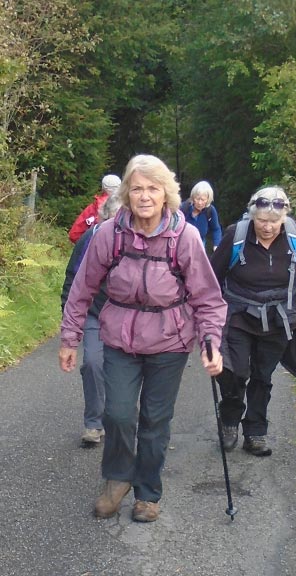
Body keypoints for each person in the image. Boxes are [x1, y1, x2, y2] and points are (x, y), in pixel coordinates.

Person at [59, 154, 227, 523]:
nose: (145, 196)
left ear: (166, 194)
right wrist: (70, 338)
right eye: (137, 188)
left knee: (155, 419)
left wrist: (211, 341)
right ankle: (118, 479)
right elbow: (82, 289)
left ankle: (148, 492)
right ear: (126, 194)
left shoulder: (185, 237)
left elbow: (207, 297)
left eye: (153, 188)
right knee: (117, 413)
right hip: (120, 339)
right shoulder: (108, 235)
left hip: (170, 342)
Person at [210, 186, 296, 457]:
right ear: (252, 216)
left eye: (274, 222)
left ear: (284, 218)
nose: (267, 227)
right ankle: (230, 419)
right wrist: (203, 314)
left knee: (263, 376)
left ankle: (255, 432)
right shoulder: (236, 235)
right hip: (239, 316)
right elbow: (212, 277)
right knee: (235, 371)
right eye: (261, 221)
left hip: (280, 318)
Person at [61, 194, 122, 446]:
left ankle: (120, 417)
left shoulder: (137, 240)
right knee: (94, 363)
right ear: (103, 217)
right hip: (95, 313)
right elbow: (72, 279)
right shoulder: (89, 239)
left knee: (122, 370)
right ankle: (94, 424)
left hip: (127, 317)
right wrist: (69, 325)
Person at [68, 174, 121, 243]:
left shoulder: (93, 208)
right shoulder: (128, 207)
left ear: (103, 188)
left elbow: (74, 234)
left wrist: (87, 246)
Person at [180, 180, 222, 251]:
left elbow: (216, 229)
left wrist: (216, 245)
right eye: (197, 199)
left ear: (208, 200)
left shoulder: (210, 211)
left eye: (203, 200)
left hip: (200, 245)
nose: (200, 203)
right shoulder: (183, 208)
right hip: (181, 244)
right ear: (193, 197)